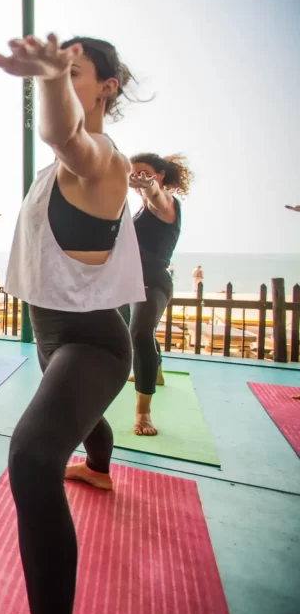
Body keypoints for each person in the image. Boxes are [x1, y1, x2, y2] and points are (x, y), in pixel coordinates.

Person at [0, 34, 145, 614]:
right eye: (58, 73)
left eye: (76, 72)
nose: (60, 81)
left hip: (94, 343)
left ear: (107, 86)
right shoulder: (50, 174)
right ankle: (100, 466)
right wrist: (54, 80)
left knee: (32, 459)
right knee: (83, 417)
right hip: (53, 341)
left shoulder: (104, 161)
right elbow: (58, 143)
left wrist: (50, 78)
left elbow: (67, 136)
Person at [125, 153, 191, 436]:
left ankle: (143, 414)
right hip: (130, 282)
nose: (138, 178)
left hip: (154, 282)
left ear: (160, 175)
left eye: (144, 173)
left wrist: (149, 187)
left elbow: (155, 196)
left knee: (139, 334)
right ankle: (156, 371)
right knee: (142, 332)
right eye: (133, 174)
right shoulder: (140, 209)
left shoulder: (165, 202)